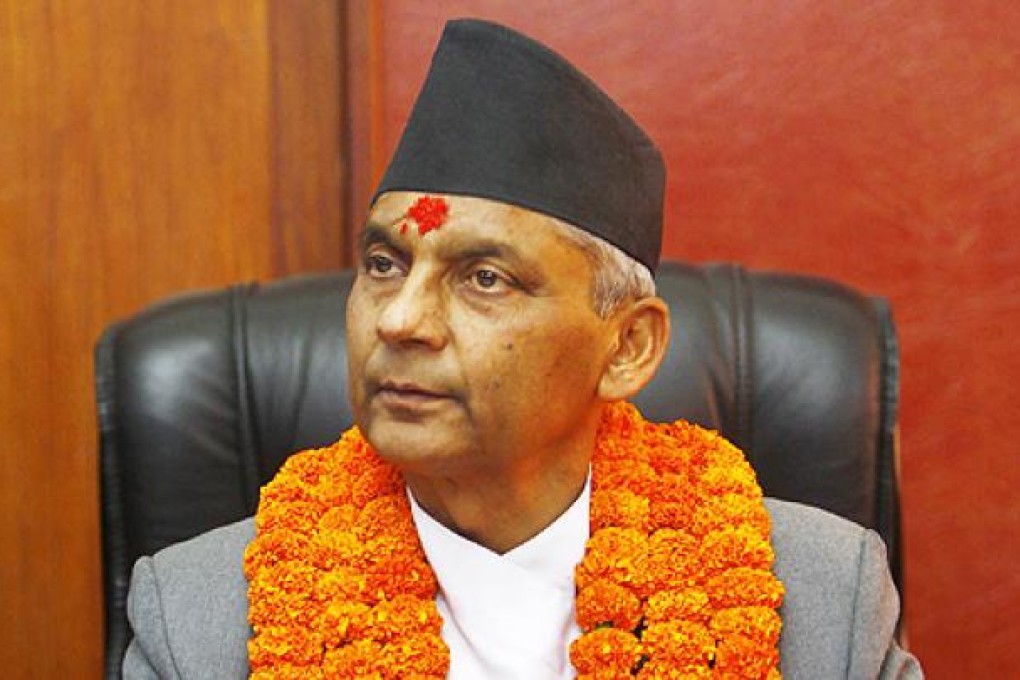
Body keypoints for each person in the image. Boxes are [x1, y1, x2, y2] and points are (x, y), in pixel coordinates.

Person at [123, 18, 922, 679]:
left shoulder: (823, 606)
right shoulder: (202, 623)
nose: (400, 320)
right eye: (382, 264)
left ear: (628, 348)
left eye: (485, 278)